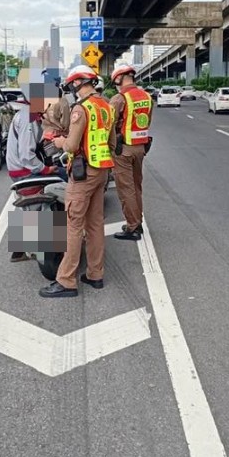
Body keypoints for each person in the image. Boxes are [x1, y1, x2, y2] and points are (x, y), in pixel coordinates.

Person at [40, 65, 116, 298]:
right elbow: (112, 143)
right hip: (102, 170)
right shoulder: (106, 106)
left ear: (76, 83)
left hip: (83, 173)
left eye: (72, 84)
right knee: (94, 225)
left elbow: (72, 146)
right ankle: (95, 274)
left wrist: (58, 141)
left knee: (73, 226)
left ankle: (66, 281)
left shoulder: (81, 109)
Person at [6, 71, 64, 262]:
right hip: (26, 170)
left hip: (20, 169)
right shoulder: (28, 117)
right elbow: (26, 155)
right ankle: (54, 244)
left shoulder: (30, 114)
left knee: (27, 204)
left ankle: (20, 248)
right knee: (62, 180)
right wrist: (45, 169)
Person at [109, 65, 153, 241]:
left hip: (123, 150)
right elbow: (146, 122)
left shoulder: (119, 98)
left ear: (119, 78)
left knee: (126, 189)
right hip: (140, 148)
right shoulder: (147, 96)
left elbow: (108, 124)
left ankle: (133, 227)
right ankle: (137, 222)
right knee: (136, 187)